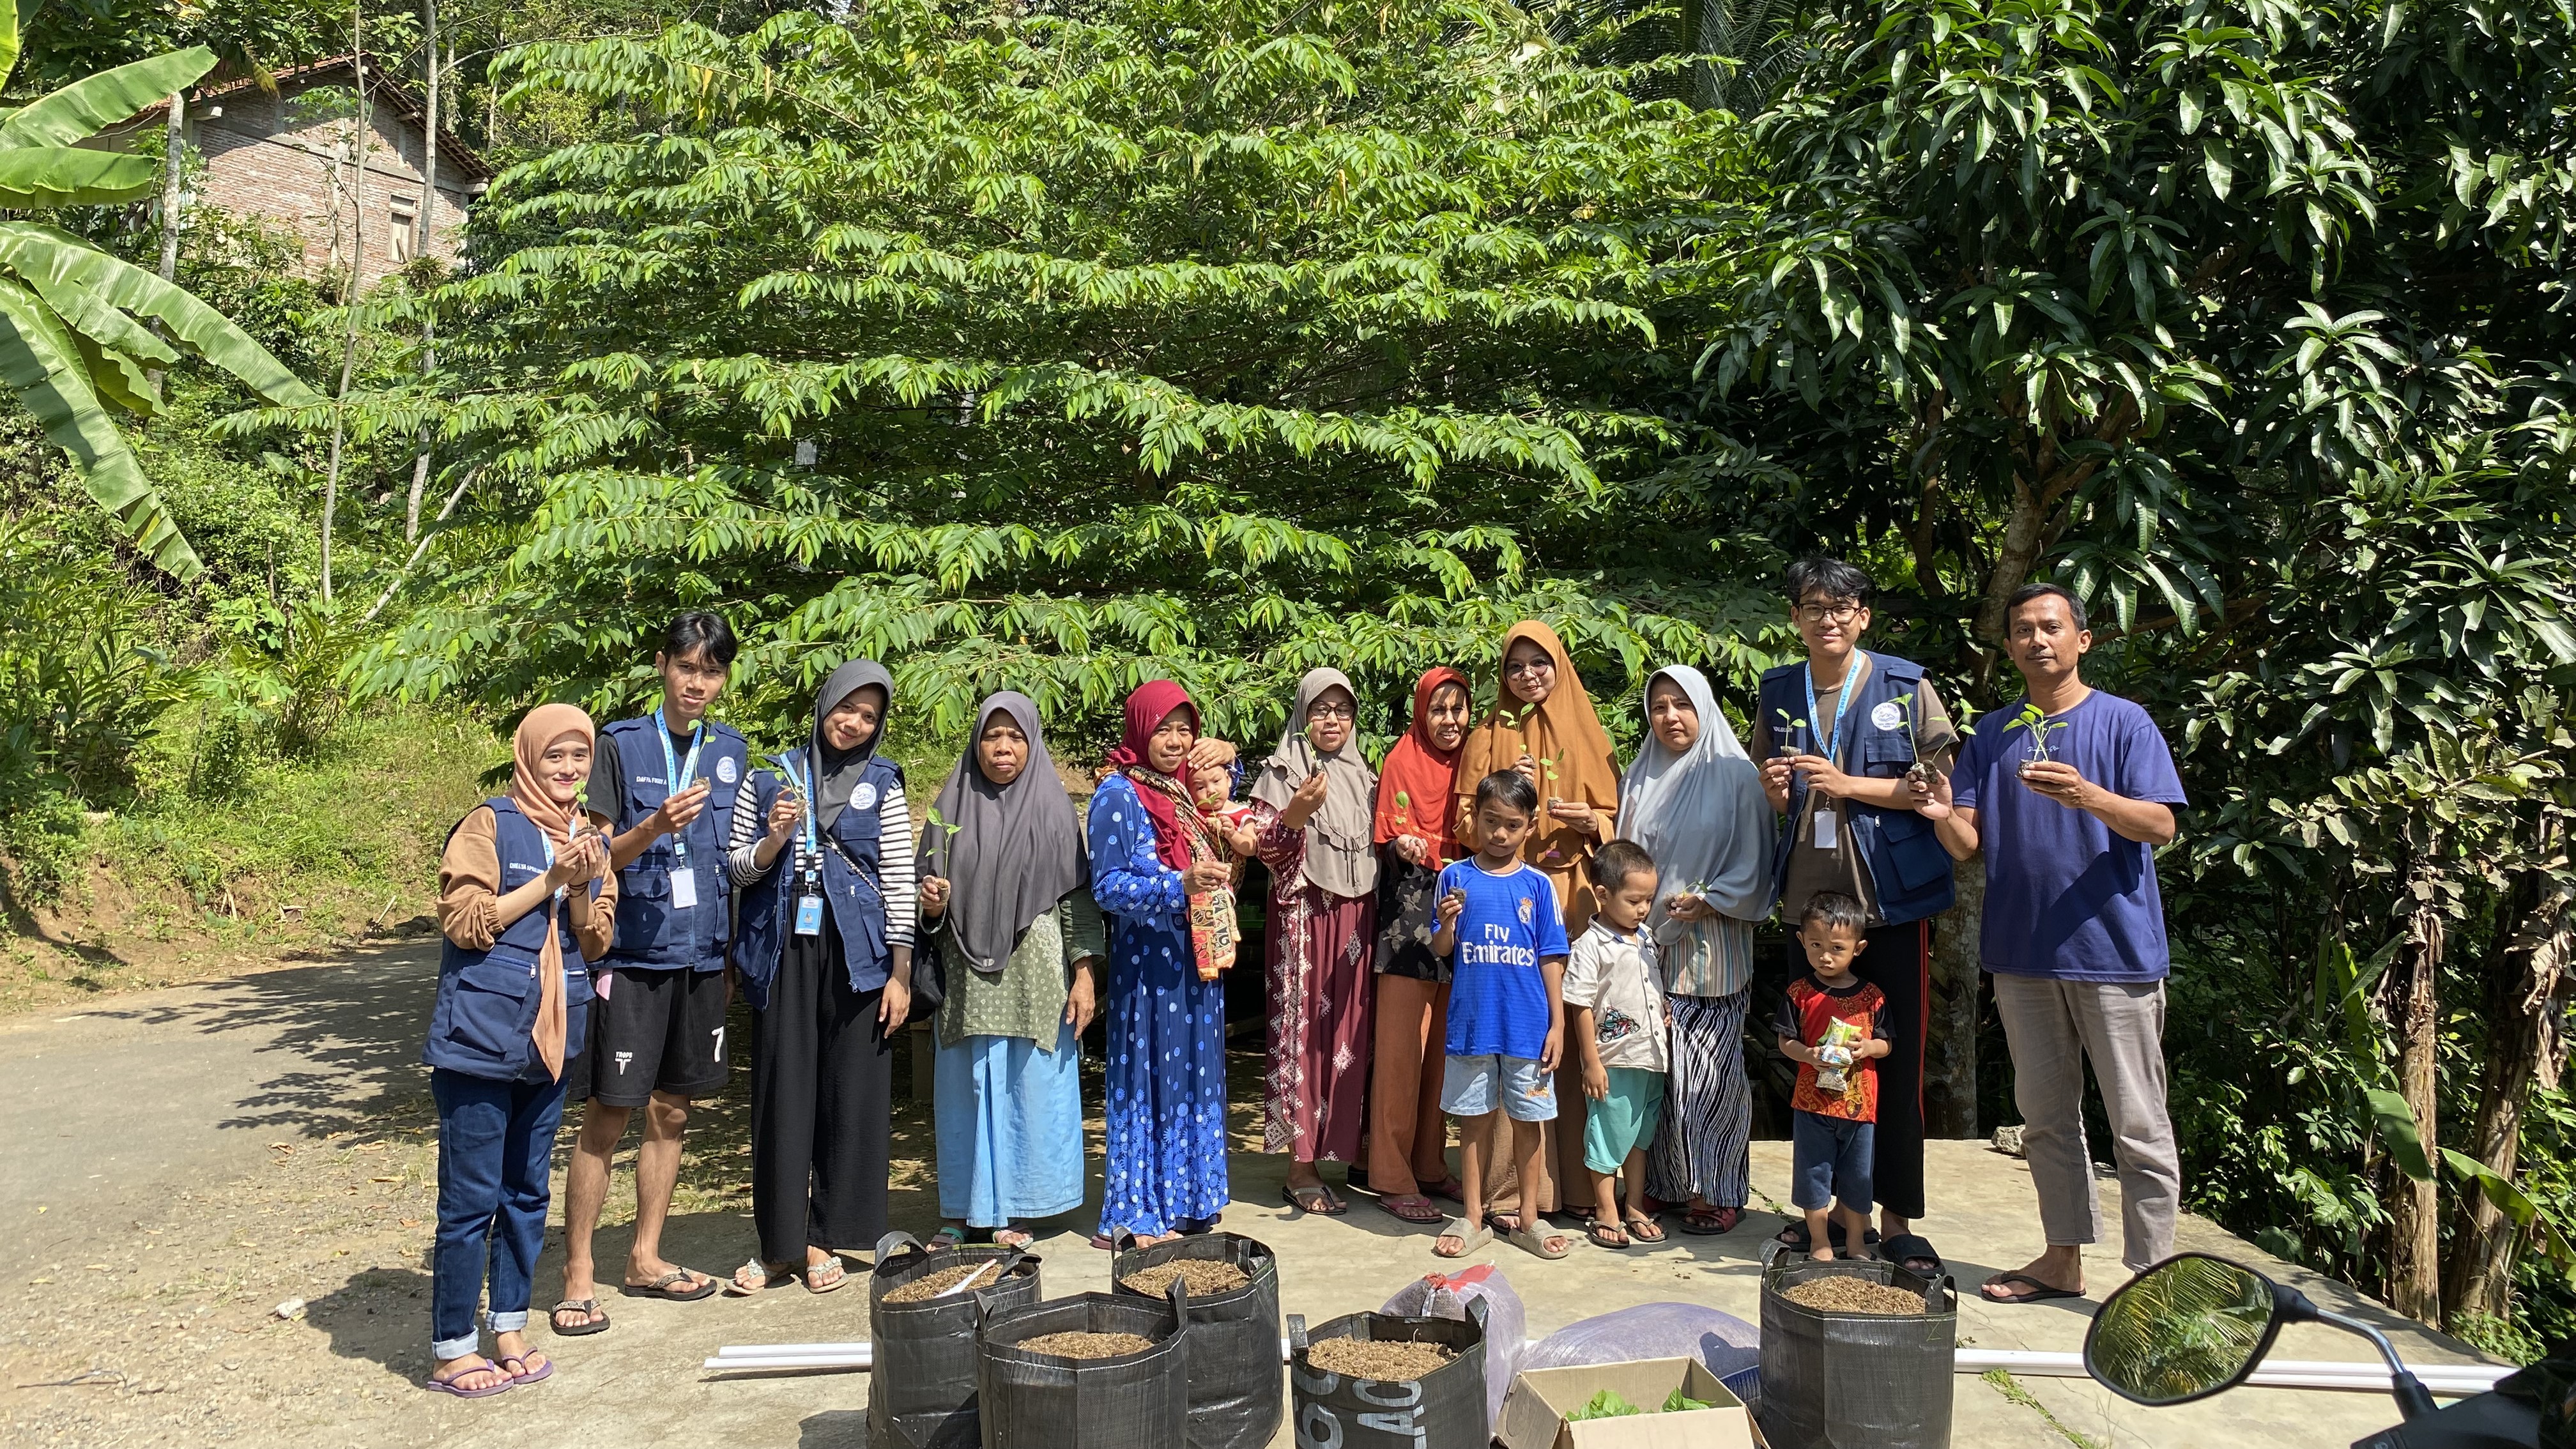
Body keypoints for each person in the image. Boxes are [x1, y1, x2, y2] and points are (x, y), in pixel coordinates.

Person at [1930, 583, 2187, 1304]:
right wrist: (1935, 810)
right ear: (2008, 645)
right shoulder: (1993, 733)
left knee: (2138, 1121)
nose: (2037, 640)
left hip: (2115, 957)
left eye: (2051, 627)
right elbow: (1967, 844)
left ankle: (2153, 1278)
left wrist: (2090, 797)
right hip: (2022, 957)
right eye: (2022, 630)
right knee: (2046, 1119)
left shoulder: (2124, 724)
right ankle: (2062, 1258)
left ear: (2083, 639)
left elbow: (2161, 826)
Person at [1753, 558, 1958, 1275]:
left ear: (1864, 616)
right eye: (1814, 605)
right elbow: (1774, 795)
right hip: (1811, 912)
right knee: (1813, 1066)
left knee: (1890, 1069)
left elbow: (1936, 787)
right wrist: (1778, 786)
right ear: (1796, 617)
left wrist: (1849, 784)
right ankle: (1829, 1217)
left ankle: (1894, 1220)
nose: (1828, 618)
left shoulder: (1904, 685)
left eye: (1843, 606)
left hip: (1889, 904)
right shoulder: (1780, 689)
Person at [556, 613, 742, 1330]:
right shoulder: (621, 743)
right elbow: (596, 858)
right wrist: (655, 825)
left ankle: (646, 1257)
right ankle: (579, 1272)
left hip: (700, 958)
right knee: (610, 1112)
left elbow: (732, 863)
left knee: (672, 1111)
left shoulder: (731, 751)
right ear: (662, 665)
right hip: (631, 957)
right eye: (687, 667)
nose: (698, 684)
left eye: (712, 672)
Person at [425, 705, 615, 1395]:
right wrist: (549, 881)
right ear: (529, 758)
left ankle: (508, 1327)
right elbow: (467, 923)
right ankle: (452, 1346)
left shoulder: (592, 836)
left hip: (552, 1045)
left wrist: (579, 892)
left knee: (527, 1194)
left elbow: (595, 943)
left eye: (579, 758)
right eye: (554, 757)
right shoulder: (489, 825)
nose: (567, 770)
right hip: (480, 1039)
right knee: (471, 1199)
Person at [724, 660, 918, 1294]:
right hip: (786, 952)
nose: (855, 724)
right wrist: (775, 840)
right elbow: (737, 869)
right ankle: (778, 1242)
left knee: (851, 1096)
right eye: (847, 709)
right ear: (824, 704)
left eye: (868, 715)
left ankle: (823, 1237)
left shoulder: (883, 782)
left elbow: (897, 878)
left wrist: (901, 973)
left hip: (859, 957)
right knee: (783, 1093)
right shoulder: (767, 778)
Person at [916, 693, 1103, 1248]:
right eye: (992, 735)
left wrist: (1085, 975)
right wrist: (931, 904)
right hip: (966, 977)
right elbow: (923, 907)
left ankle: (1018, 1208)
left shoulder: (1053, 811)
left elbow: (1077, 904)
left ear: (1032, 742)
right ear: (976, 741)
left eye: (1015, 736)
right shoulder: (948, 811)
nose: (1003, 747)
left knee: (1029, 1087)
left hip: (1036, 977)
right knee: (967, 1088)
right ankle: (963, 1209)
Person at [1455, 620, 1621, 1216]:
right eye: (1515, 666)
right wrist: (1509, 787)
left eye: (1539, 664)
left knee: (1568, 1033)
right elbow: (1460, 827)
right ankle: (1508, 1197)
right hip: (1504, 899)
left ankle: (1578, 1190)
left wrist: (1591, 823)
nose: (1528, 676)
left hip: (1570, 897)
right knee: (1513, 1033)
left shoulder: (1589, 729)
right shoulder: (1485, 737)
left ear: (1559, 665)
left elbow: (1617, 820)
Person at [1618, 664, 1771, 1237]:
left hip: (1714, 947)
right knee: (1658, 1068)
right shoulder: (1640, 776)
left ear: (1704, 707)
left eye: (1682, 704)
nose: (1670, 717)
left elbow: (1757, 861)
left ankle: (1718, 1189)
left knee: (1711, 1076)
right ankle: (1665, 1185)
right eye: (1659, 706)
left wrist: (1711, 898)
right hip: (1651, 945)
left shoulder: (1736, 776)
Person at [1090, 680, 1239, 1246]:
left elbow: (1235, 783)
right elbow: (1107, 888)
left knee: (1194, 1078)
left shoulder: (1184, 793)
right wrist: (1178, 886)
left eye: (1186, 730)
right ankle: (1136, 1212)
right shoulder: (1118, 794)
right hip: (1150, 965)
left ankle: (1187, 1201)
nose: (1176, 741)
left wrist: (1228, 754)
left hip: (1198, 961)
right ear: (1139, 730)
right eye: (1163, 729)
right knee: (1148, 1075)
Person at [1430, 770, 1575, 1262]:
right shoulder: (1454, 877)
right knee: (1472, 1122)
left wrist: (1557, 1024)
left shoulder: (1539, 886)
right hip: (1472, 1025)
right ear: (1475, 817)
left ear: (1529, 827)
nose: (1499, 834)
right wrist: (1447, 923)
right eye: (1491, 821)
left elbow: (1552, 957)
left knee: (1529, 1122)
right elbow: (1442, 948)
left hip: (1529, 1029)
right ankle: (1472, 1216)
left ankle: (1530, 1218)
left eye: (1512, 825)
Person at [1251, 667, 1380, 1215]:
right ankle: (1299, 1167)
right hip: (1304, 916)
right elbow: (1260, 850)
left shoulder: (1368, 775)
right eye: (1321, 709)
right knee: (1303, 1031)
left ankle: (1342, 1153)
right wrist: (1296, 815)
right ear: (1303, 713)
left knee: (1351, 1033)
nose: (1332, 719)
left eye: (1342, 710)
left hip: (1358, 917)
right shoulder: (1283, 770)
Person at [1368, 666, 1473, 1224]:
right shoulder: (1400, 761)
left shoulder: (1474, 765)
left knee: (1441, 1053)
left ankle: (1429, 1164)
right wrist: (1402, 843)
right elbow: (1385, 839)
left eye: (1459, 709)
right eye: (1439, 709)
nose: (1451, 720)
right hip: (1409, 916)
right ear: (1420, 712)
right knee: (1402, 1053)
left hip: (1461, 905)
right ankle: (1391, 1173)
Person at [1772, 892, 1892, 1262]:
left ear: (1859, 948)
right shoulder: (1800, 993)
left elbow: (1888, 1045)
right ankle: (1819, 1242)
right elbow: (1785, 1040)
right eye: (1815, 945)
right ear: (1801, 942)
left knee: (1858, 1181)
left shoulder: (1872, 997)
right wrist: (1808, 1054)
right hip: (1812, 1104)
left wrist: (1868, 1048)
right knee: (1813, 1176)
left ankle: (1856, 1243)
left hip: (1859, 1109)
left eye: (1837, 947)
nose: (1825, 955)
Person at [1563, 839, 1670, 1250]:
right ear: (1604, 895)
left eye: (1648, 900)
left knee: (1640, 1138)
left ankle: (1636, 1204)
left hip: (1652, 1056)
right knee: (1607, 1137)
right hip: (1615, 1060)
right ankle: (1606, 1209)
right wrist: (1591, 1062)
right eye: (1634, 900)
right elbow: (1581, 1006)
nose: (1643, 909)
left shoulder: (1646, 936)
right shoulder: (1590, 946)